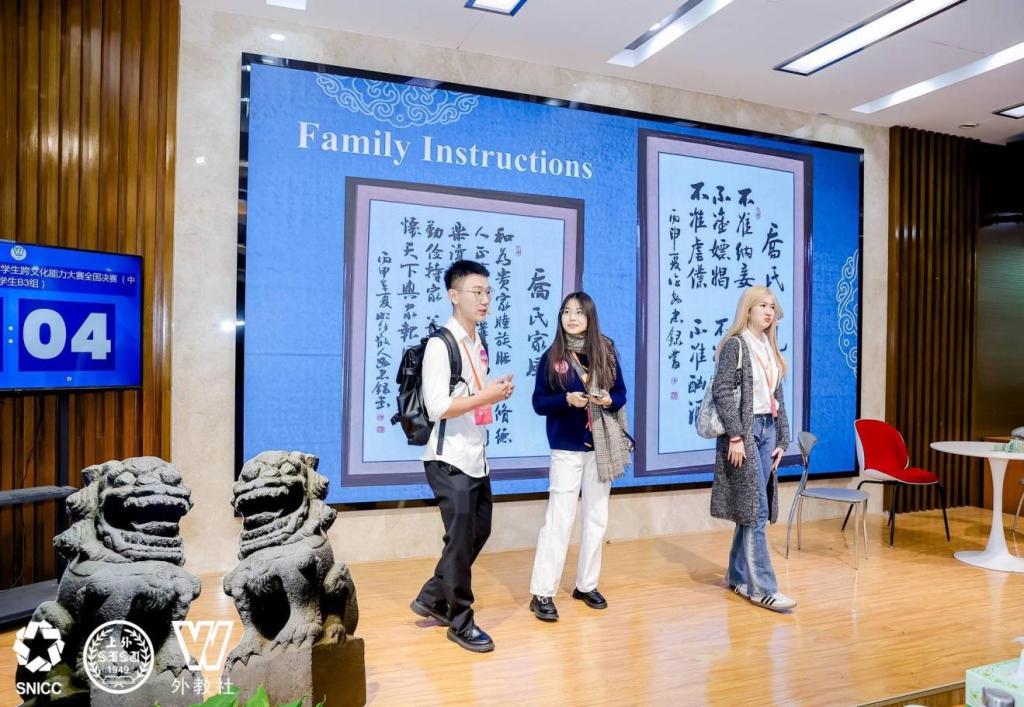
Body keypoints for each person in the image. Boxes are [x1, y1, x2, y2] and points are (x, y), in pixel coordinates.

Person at [409, 260, 514, 652]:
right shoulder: (441, 344)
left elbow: (471, 394)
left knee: (478, 530)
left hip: (474, 454)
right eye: (476, 292)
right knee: (459, 540)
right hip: (447, 457)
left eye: (488, 292)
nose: (485, 299)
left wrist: (490, 391)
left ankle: (432, 597)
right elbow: (437, 406)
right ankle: (460, 621)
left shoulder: (477, 342)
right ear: (454, 295)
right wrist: (487, 395)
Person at [528, 291, 628, 621]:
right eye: (566, 312)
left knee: (597, 518)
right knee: (559, 519)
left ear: (590, 317)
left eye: (579, 312)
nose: (572, 318)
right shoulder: (552, 356)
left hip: (600, 447)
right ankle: (542, 592)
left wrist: (607, 400)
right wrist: (565, 400)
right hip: (566, 448)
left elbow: (621, 394)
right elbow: (539, 402)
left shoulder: (606, 351)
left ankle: (586, 585)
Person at [710, 285, 796, 612]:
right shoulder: (736, 344)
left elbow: (777, 398)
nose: (769, 311)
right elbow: (722, 391)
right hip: (745, 434)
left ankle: (737, 575)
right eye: (762, 305)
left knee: (751, 508)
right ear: (748, 309)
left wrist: (783, 439)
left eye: (772, 306)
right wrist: (736, 436)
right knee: (757, 509)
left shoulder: (769, 346)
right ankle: (763, 589)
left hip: (767, 431)